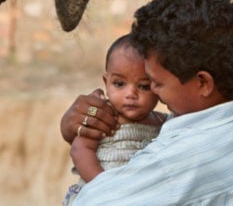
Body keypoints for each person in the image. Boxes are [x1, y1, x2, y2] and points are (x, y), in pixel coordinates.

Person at [61, 0, 233, 205]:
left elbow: (97, 200)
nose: (156, 96)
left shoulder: (181, 163)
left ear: (203, 83)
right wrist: (76, 123)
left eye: (155, 84)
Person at [63, 34, 167, 205]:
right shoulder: (103, 116)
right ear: (106, 82)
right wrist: (103, 186)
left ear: (158, 86)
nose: (130, 94)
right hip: (100, 195)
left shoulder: (162, 122)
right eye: (119, 84)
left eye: (143, 86)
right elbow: (79, 150)